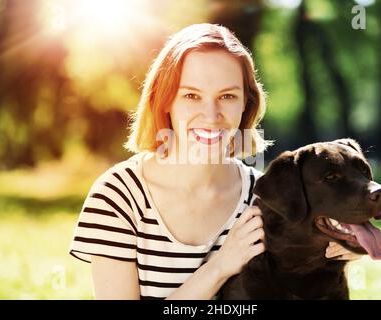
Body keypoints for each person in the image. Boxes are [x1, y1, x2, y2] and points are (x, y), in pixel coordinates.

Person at [69, 23, 359, 300]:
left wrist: (343, 247)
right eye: (192, 95)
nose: (211, 114)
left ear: (247, 103)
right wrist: (219, 268)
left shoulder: (268, 197)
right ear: (165, 99)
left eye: (228, 96)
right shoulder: (117, 195)